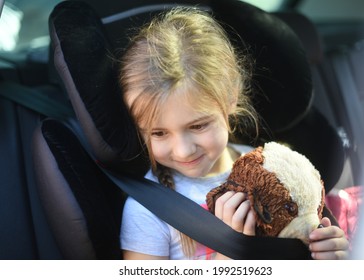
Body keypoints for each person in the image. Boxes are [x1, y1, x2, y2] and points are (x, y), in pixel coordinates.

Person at [118, 7, 349, 260]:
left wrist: (330, 253)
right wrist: (229, 252)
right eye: (159, 133)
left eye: (198, 126)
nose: (183, 150)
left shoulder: (272, 169)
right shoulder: (147, 212)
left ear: (231, 98)